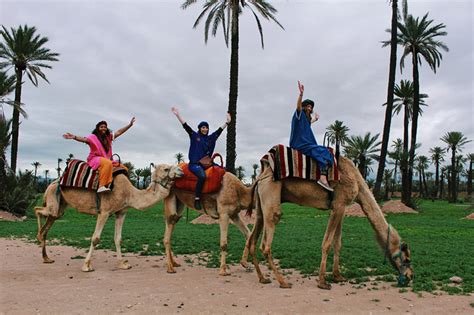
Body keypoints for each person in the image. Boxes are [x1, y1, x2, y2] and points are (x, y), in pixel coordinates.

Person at [171, 107, 230, 209]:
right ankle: (197, 198)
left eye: (206, 127)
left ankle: (220, 197)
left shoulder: (210, 138)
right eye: (203, 127)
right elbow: (186, 127)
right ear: (200, 128)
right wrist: (178, 115)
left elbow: (218, 132)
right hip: (194, 165)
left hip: (207, 164)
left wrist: (227, 123)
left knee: (222, 171)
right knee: (202, 176)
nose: (205, 129)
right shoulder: (194, 136)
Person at [63, 117, 136, 193]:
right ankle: (101, 186)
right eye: (101, 127)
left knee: (123, 167)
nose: (103, 128)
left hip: (107, 159)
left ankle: (125, 189)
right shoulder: (93, 137)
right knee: (107, 163)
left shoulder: (109, 137)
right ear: (98, 128)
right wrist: (74, 137)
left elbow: (119, 132)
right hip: (95, 159)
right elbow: (84, 139)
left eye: (105, 127)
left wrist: (130, 125)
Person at [289, 81, 334, 191]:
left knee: (324, 150)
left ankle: (323, 175)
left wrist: (315, 119)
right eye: (307, 106)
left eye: (311, 107)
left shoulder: (306, 120)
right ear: (304, 107)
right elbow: (298, 107)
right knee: (322, 151)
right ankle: (323, 178)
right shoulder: (299, 115)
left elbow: (308, 124)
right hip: (300, 144)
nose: (309, 108)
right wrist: (301, 94)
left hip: (307, 143)